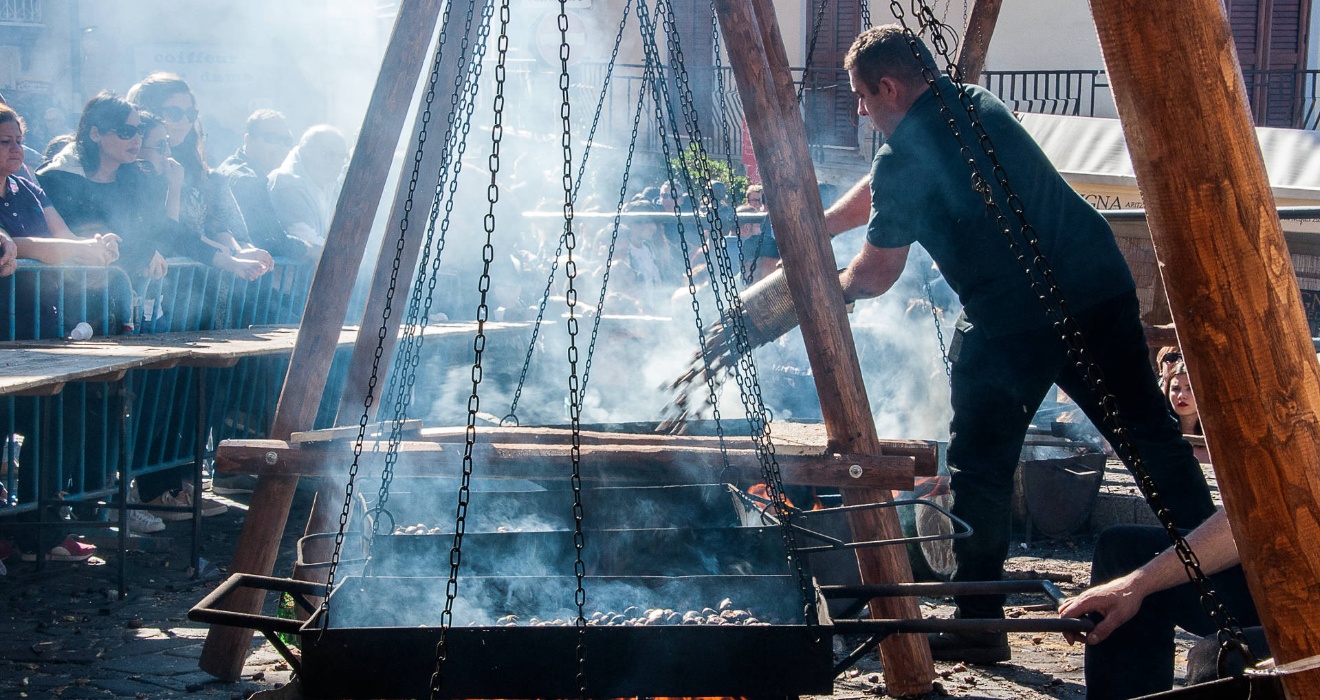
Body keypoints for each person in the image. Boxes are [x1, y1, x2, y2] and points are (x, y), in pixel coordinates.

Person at [825, 25, 1216, 662]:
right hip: (1098, 286)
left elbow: (875, 273)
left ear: (888, 86)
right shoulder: (975, 104)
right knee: (1152, 442)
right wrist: (821, 225)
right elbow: (882, 188)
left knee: (979, 466)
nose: (860, 111)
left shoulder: (904, 157)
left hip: (1011, 322)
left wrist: (823, 285)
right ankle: (1217, 589)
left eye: (862, 97)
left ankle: (979, 624)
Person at [1058, 510, 1264, 699]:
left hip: (1294, 619)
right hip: (1277, 574)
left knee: (1217, 661)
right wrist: (1135, 585)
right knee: (1123, 552)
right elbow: (1249, 515)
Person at [127, 72, 271, 280]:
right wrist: (231, 256)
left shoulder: (196, 166)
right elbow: (172, 233)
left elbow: (213, 220)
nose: (185, 121)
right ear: (150, 112)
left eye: (191, 114)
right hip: (168, 279)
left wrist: (237, 251)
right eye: (175, 113)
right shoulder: (142, 166)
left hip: (203, 276)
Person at [0, 104, 121, 268]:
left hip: (42, 293)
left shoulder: (29, 190)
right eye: (6, 141)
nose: (16, 149)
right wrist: (80, 248)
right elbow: (12, 245)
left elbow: (64, 235)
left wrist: (99, 245)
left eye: (19, 141)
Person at [215, 109, 314, 262]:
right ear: (248, 139)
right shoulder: (249, 179)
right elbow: (273, 241)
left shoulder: (230, 167)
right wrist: (318, 252)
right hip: (245, 279)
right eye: (271, 138)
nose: (281, 146)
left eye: (286, 141)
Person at [268, 124, 349, 249]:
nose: (337, 161)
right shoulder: (287, 183)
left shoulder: (333, 184)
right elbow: (306, 240)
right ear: (305, 152)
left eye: (342, 156)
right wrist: (347, 253)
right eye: (329, 154)